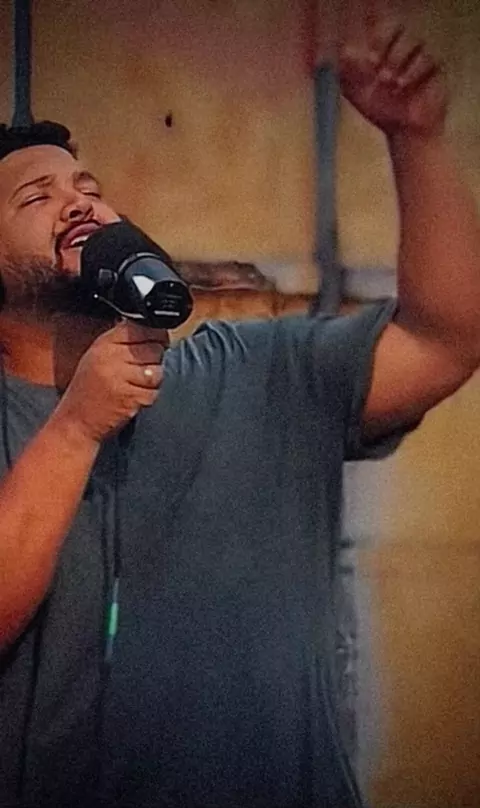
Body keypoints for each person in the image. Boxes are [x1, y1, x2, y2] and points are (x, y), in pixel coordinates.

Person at [0, 16, 478, 808]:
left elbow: (446, 338)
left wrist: (417, 139)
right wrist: (76, 427)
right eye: (36, 196)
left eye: (89, 188)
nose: (80, 203)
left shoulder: (256, 372)